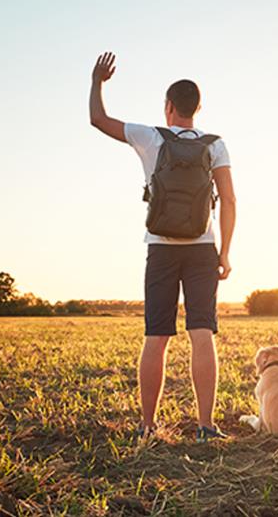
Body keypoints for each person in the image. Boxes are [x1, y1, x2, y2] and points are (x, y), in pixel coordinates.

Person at [88, 51, 236, 443]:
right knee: (202, 333)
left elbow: (98, 120)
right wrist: (224, 253)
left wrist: (97, 83)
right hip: (203, 248)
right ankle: (206, 426)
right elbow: (230, 200)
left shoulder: (151, 136)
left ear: (168, 107)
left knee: (156, 336)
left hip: (161, 248)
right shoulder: (215, 144)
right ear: (198, 108)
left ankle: (148, 425)